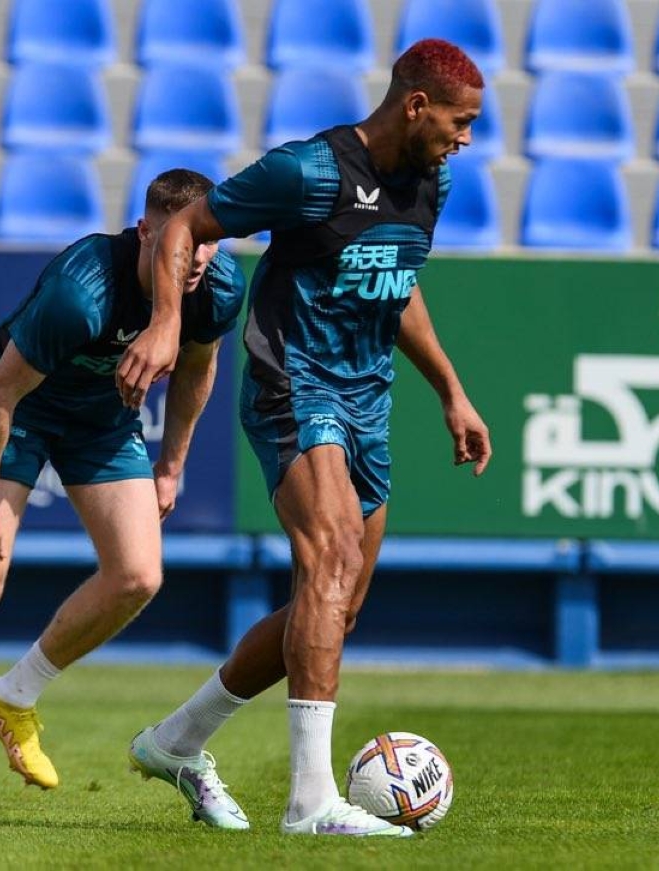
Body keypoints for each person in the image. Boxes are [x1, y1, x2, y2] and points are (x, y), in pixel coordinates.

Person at [126, 39, 492, 838]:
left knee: (334, 603)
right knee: (332, 560)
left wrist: (451, 391)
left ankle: (176, 740)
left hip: (367, 399)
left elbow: (397, 282)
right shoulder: (310, 172)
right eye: (460, 122)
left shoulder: (431, 182)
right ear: (416, 106)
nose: (467, 139)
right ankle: (311, 803)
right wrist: (165, 323)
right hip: (293, 385)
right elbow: (186, 226)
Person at [0, 169, 247, 805]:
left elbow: (199, 368)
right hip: (23, 410)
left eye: (208, 240)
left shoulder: (219, 287)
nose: (198, 256)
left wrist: (171, 465)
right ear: (145, 233)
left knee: (138, 576)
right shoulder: (81, 291)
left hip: (103, 421)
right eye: (184, 241)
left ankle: (13, 697)